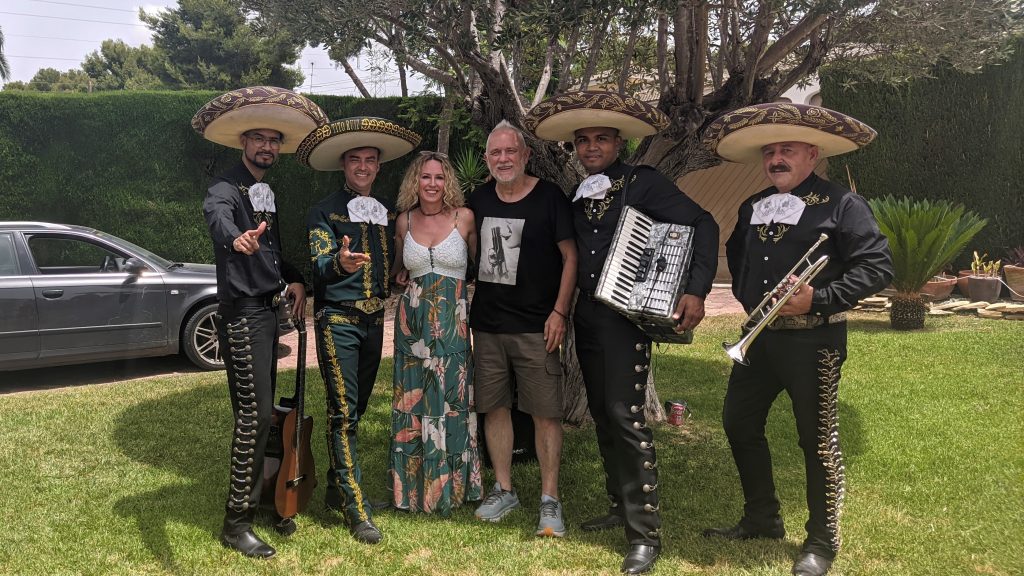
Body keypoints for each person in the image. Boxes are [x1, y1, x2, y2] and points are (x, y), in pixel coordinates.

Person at [525, 91, 719, 574]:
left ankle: (645, 534)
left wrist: (694, 290)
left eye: (602, 140)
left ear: (618, 144)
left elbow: (702, 222)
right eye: (584, 141)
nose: (591, 147)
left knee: (626, 417)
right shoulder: (579, 191)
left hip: (626, 318)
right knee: (601, 414)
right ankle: (619, 505)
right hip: (587, 318)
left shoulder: (643, 182)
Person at [700, 102, 894, 576]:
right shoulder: (751, 206)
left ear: (812, 154)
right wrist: (751, 303)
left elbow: (878, 267)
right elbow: (739, 255)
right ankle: (762, 518)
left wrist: (821, 298)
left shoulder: (842, 204)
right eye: (770, 152)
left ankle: (821, 540)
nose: (776, 159)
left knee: (817, 440)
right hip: (760, 339)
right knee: (738, 423)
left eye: (787, 150)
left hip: (815, 341)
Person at [193, 86, 327, 558]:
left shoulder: (268, 194)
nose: (266, 147)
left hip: (271, 313)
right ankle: (236, 522)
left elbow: (274, 252)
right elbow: (219, 220)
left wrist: (295, 280)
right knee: (251, 418)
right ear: (242, 143)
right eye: (258, 139)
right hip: (243, 316)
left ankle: (268, 499)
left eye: (273, 140)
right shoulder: (224, 188)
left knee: (268, 413)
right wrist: (236, 240)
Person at [297, 117, 421, 544]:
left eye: (370, 160)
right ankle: (355, 507)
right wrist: (340, 263)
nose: (363, 166)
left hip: (373, 322)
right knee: (343, 413)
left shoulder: (387, 211)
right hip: (338, 321)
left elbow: (390, 263)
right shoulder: (324, 210)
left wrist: (398, 277)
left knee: (357, 409)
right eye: (355, 160)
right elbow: (319, 264)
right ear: (344, 166)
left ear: (378, 166)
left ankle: (334, 489)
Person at [467, 121, 577, 538]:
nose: (503, 159)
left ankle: (550, 499)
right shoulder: (478, 200)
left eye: (510, 151)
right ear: (487, 159)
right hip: (489, 325)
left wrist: (560, 312)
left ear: (525, 155)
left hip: (538, 326)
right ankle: (504, 488)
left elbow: (571, 258)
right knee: (493, 407)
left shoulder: (550, 198)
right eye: (495, 153)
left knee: (545, 412)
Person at [388, 151, 482, 515]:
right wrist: (399, 274)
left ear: (448, 183)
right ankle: (410, 489)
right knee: (414, 405)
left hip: (453, 326)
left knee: (454, 402)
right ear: (415, 181)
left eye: (439, 178)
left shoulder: (465, 218)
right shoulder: (403, 221)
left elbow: (476, 269)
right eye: (425, 177)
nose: (432, 184)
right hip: (413, 326)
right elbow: (400, 269)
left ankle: (455, 486)